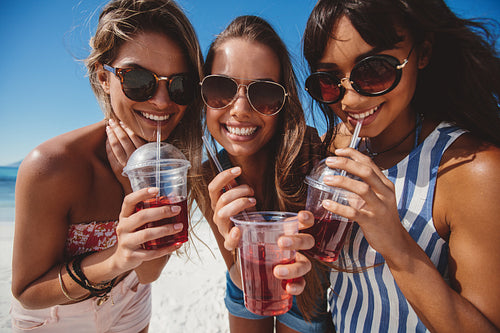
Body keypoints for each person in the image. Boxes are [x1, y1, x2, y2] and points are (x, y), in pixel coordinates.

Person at [300, 0, 500, 332]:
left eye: (373, 70)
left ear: (422, 53)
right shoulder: (330, 151)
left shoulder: (472, 170)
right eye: (330, 80)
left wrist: (397, 246)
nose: (349, 99)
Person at [10, 0, 205, 332]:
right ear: (103, 76)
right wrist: (116, 260)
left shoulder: (173, 162)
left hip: (131, 302)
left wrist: (138, 185)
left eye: (179, 84)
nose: (161, 100)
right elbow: (27, 292)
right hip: (57, 318)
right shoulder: (52, 166)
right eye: (139, 79)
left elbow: (148, 272)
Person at [199, 15, 333, 333]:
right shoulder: (208, 175)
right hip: (242, 281)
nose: (241, 109)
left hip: (308, 293)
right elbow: (233, 263)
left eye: (265, 94)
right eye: (221, 88)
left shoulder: (313, 155)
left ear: (284, 102)